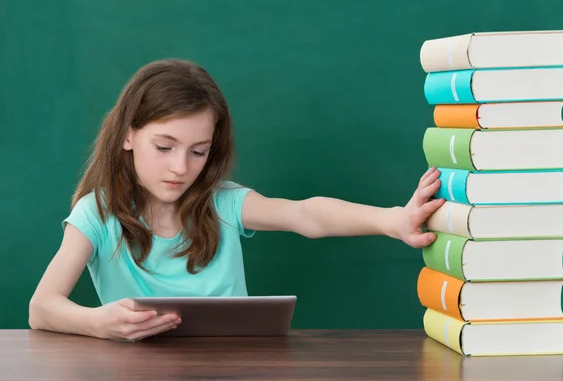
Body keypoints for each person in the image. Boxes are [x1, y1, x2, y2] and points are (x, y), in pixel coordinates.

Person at [28, 59, 444, 341]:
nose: (180, 168)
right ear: (128, 136)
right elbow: (41, 309)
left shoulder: (221, 203)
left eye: (198, 151)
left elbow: (304, 214)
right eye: (164, 146)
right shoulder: (97, 213)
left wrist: (393, 220)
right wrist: (99, 323)